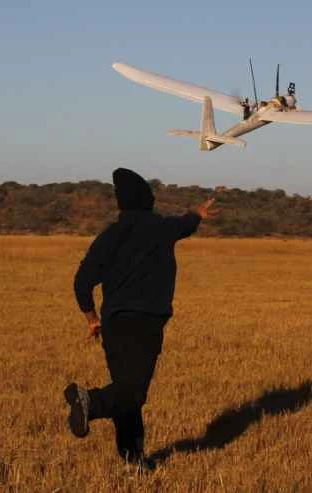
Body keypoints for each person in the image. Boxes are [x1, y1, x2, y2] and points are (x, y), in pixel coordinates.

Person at [63, 167, 217, 470]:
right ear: (148, 199)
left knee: (126, 392)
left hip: (113, 325)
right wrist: (198, 212)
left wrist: (92, 319)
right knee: (132, 393)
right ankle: (90, 401)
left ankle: (133, 460)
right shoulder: (162, 228)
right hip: (145, 324)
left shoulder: (110, 236)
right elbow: (187, 223)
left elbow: (82, 283)